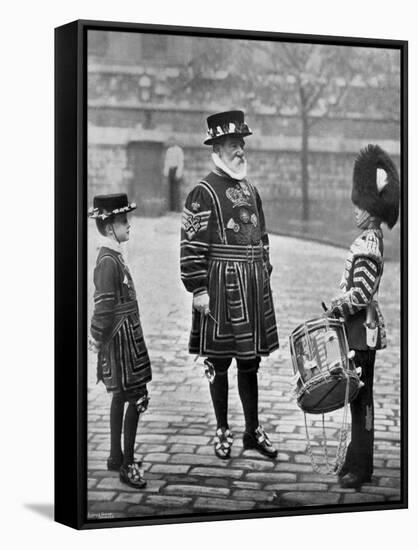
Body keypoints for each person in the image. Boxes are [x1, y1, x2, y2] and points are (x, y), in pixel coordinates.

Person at [180, 110, 279, 460]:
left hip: (251, 288)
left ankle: (252, 430)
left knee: (250, 362)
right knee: (219, 363)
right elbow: (191, 246)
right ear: (218, 148)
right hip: (219, 288)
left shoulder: (251, 190)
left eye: (242, 145)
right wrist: (198, 289)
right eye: (234, 145)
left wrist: (263, 268)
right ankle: (222, 429)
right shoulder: (201, 192)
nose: (241, 152)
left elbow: (263, 235)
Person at [329, 145, 400, 490]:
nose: (355, 210)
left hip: (362, 330)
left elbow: (359, 295)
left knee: (362, 399)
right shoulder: (367, 239)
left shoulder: (369, 245)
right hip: (356, 329)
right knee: (357, 397)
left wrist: (336, 307)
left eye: (360, 204)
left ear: (372, 210)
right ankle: (355, 460)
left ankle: (362, 467)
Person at [88, 193, 152, 489]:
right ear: (110, 227)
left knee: (119, 397)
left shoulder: (113, 256)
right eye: (124, 221)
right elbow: (102, 306)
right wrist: (97, 338)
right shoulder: (107, 262)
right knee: (136, 397)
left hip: (126, 340)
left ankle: (116, 456)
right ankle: (127, 464)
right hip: (120, 343)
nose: (129, 225)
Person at [163, 136, 184, 212]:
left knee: (176, 190)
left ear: (175, 142)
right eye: (170, 141)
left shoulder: (179, 150)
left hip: (176, 170)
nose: (171, 143)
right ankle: (171, 208)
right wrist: (166, 172)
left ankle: (178, 209)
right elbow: (167, 162)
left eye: (173, 141)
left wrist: (178, 173)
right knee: (170, 190)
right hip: (170, 171)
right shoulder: (169, 150)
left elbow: (180, 162)